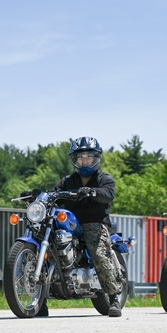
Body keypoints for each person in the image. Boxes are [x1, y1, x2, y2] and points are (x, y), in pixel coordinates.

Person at [49, 136, 124, 317]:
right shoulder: (68, 181)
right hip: (71, 224)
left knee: (98, 252)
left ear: (96, 158)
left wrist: (92, 192)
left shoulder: (104, 179)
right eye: (81, 158)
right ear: (75, 160)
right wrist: (41, 196)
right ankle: (40, 301)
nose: (84, 161)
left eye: (88, 158)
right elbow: (54, 193)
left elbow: (107, 194)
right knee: (50, 246)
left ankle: (114, 297)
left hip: (96, 224)